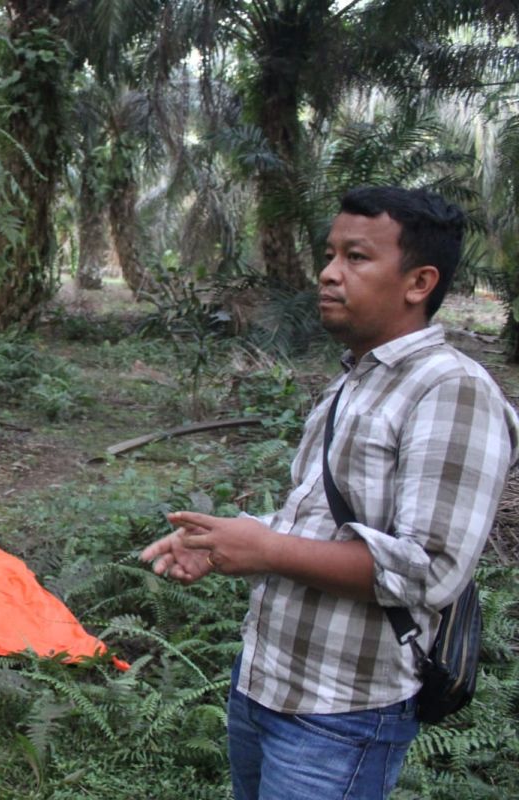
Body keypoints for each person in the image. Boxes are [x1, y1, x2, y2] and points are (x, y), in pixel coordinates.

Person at [140, 186, 519, 800]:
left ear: (419, 282)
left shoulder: (452, 390)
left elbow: (429, 572)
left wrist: (265, 550)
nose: (328, 272)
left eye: (356, 257)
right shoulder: (357, 381)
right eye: (330, 253)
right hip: (266, 682)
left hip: (341, 712)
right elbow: (318, 520)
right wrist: (221, 543)